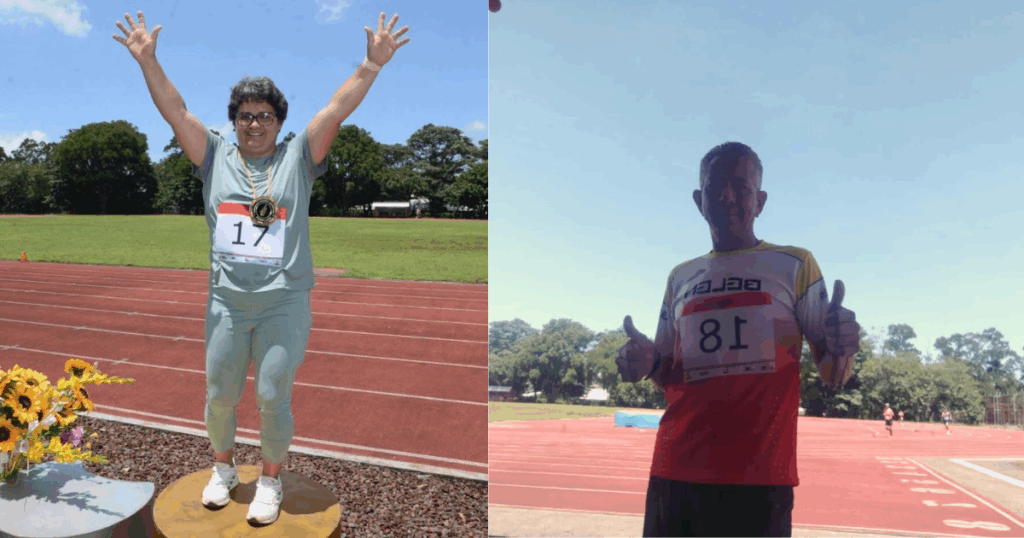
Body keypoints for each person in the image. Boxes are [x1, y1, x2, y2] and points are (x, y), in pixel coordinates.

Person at [113, 10, 410, 525]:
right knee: (219, 394)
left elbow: (335, 111)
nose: (255, 123)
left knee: (274, 394)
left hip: (284, 299)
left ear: (279, 121)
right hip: (227, 299)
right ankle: (223, 469)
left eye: (265, 115)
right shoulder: (213, 156)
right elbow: (175, 110)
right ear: (234, 121)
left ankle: (270, 479)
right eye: (246, 115)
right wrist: (148, 61)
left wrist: (371, 64)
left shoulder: (299, 157)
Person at [616, 142, 861, 537]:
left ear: (760, 201)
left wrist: (844, 346)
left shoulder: (796, 264)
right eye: (716, 188)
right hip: (676, 468)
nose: (727, 196)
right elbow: (666, 373)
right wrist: (643, 364)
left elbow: (834, 374)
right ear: (699, 200)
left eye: (741, 187)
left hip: (759, 479)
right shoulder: (680, 276)